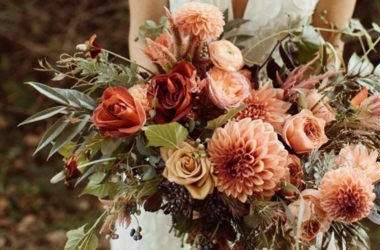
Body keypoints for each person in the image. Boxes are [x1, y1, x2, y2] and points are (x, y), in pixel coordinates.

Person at [111, 0, 357, 249]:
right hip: (175, 152)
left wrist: (294, 148)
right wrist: (169, 128)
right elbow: (143, 39)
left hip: (277, 167)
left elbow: (326, 54)